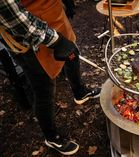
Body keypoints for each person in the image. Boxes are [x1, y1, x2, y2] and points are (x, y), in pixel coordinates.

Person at [0, 0, 100, 155]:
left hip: (54, 14)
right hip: (28, 36)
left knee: (72, 53)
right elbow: (19, 22)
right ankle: (51, 137)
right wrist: (58, 42)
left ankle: (79, 92)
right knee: (44, 89)